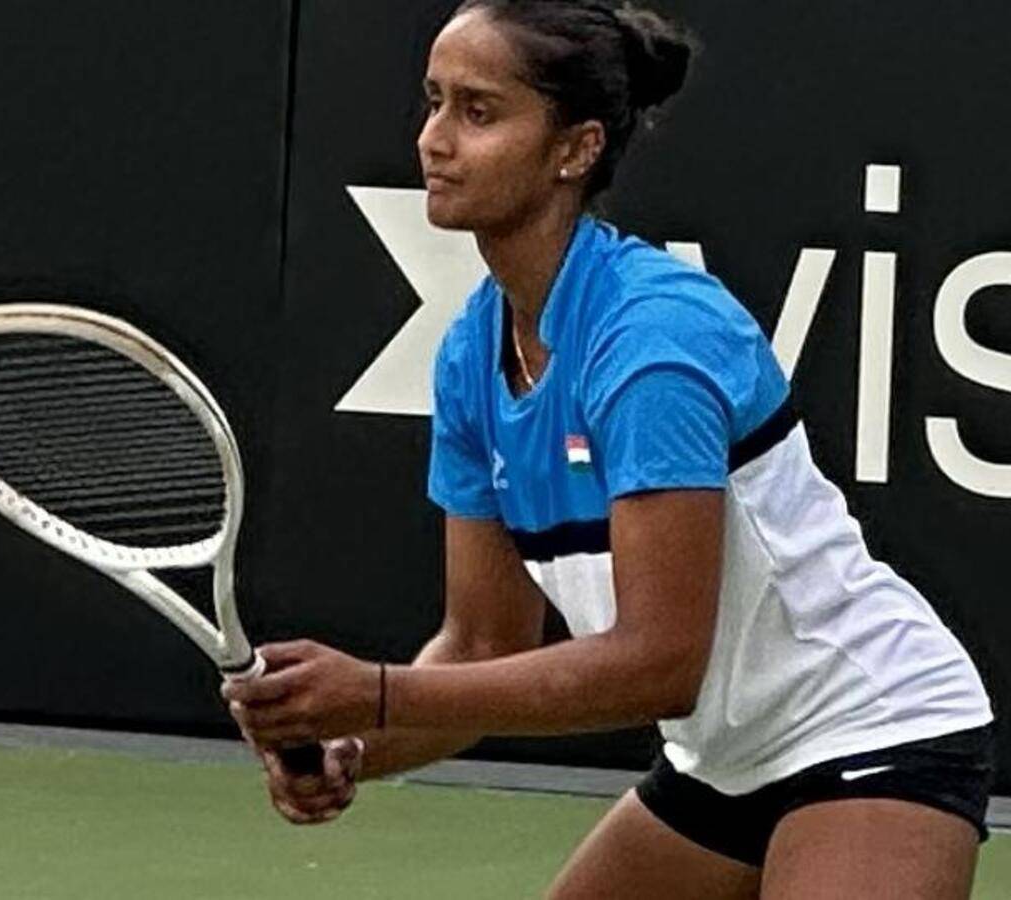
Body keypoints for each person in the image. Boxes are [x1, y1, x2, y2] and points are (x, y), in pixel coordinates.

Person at [223, 2, 996, 897]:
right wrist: (355, 744)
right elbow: (481, 643)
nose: (434, 139)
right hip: (723, 762)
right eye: (434, 102)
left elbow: (661, 663)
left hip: (871, 725)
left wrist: (383, 692)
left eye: (479, 111)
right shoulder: (472, 355)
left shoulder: (653, 341)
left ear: (576, 149)